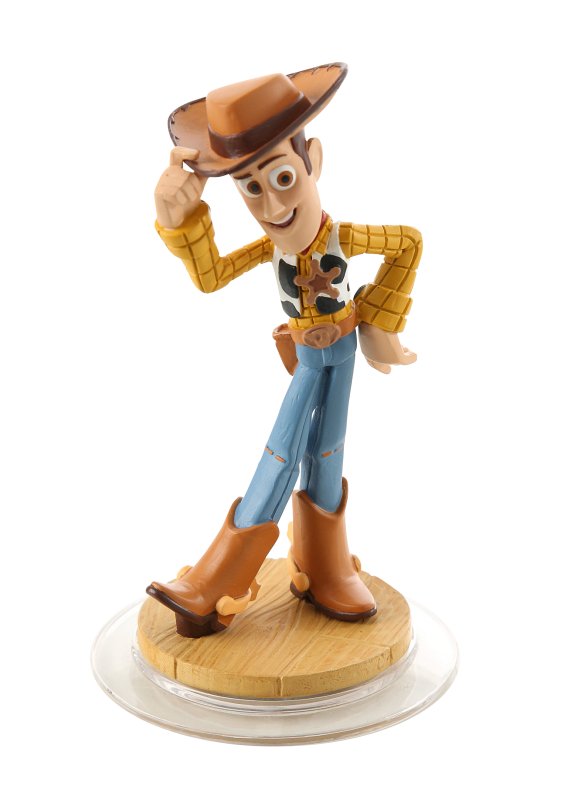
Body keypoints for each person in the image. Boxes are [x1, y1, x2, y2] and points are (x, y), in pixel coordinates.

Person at [147, 63, 422, 638]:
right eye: (251, 188)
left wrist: (380, 323)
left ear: (312, 161)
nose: (272, 206)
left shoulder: (345, 237)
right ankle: (217, 579)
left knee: (328, 450)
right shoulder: (267, 248)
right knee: (282, 449)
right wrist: (182, 220)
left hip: (343, 348)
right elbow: (211, 276)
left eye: (282, 178)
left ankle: (322, 564)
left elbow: (408, 242)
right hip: (306, 355)